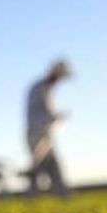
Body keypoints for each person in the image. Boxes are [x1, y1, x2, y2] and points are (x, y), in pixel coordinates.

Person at [24, 59, 71, 196]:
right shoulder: (39, 88)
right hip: (36, 133)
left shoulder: (48, 89)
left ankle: (63, 195)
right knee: (37, 167)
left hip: (45, 134)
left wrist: (54, 117)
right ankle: (31, 198)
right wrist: (55, 117)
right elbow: (38, 112)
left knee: (53, 166)